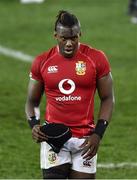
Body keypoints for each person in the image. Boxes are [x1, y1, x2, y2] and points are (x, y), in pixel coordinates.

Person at [25, 10, 115, 179]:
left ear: (80, 34)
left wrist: (98, 133)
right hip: (54, 138)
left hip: (85, 140)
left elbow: (108, 98)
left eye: (73, 38)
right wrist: (34, 124)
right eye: (63, 38)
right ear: (55, 35)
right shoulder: (42, 61)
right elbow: (32, 101)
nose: (68, 43)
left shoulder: (96, 59)